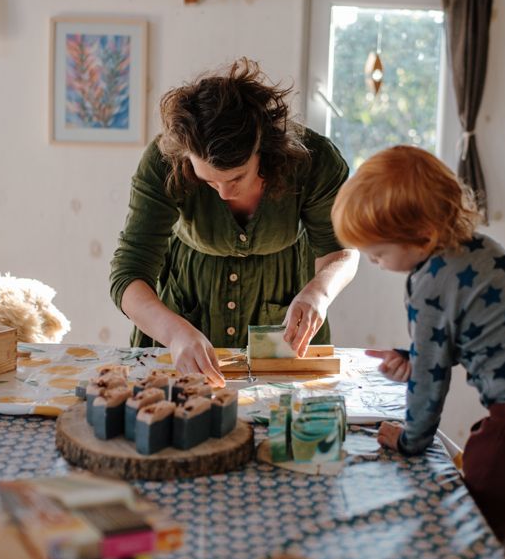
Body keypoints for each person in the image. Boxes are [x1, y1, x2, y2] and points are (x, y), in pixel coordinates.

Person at [331, 145, 505, 538]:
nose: (376, 263)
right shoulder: (481, 249)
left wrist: (410, 440)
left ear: (423, 238)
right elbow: (484, 333)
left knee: (465, 531)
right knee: (501, 520)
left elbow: (430, 382)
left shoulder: (426, 283)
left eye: (378, 255)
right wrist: (414, 356)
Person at [110, 58, 359, 385]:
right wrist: (175, 333)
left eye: (237, 177)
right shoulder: (162, 161)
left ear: (265, 149)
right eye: (209, 182)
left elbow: (341, 252)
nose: (224, 193)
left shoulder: (315, 160)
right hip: (186, 313)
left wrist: (318, 294)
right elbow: (129, 271)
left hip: (283, 325)